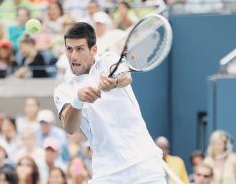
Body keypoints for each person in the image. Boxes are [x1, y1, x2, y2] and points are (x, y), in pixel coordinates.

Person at [54, 22, 166, 183]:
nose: (73, 56)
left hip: (144, 164)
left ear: (94, 50)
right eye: (69, 49)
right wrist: (78, 100)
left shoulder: (109, 60)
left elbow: (126, 78)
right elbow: (70, 128)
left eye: (79, 49)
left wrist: (112, 83)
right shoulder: (63, 90)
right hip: (107, 173)